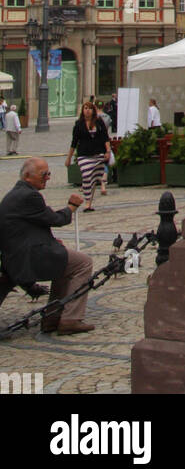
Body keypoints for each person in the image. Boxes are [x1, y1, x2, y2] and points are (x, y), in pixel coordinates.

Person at [0, 157, 93, 333]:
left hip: (16, 256)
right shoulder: (30, 196)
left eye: (49, 173)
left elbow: (30, 227)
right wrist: (71, 207)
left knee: (63, 261)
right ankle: (71, 319)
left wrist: (51, 243)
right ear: (27, 176)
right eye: (44, 174)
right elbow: (55, 219)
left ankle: (53, 318)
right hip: (27, 259)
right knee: (83, 263)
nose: (48, 177)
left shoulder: (16, 194)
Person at [65, 101, 111, 211]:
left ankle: (89, 203)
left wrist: (108, 151)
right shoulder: (79, 124)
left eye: (90, 108)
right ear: (82, 110)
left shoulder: (99, 122)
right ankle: (87, 201)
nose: (87, 110)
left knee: (94, 178)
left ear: (93, 110)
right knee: (86, 176)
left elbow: (105, 138)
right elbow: (74, 142)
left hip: (98, 154)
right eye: (85, 108)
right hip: (84, 155)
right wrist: (69, 157)